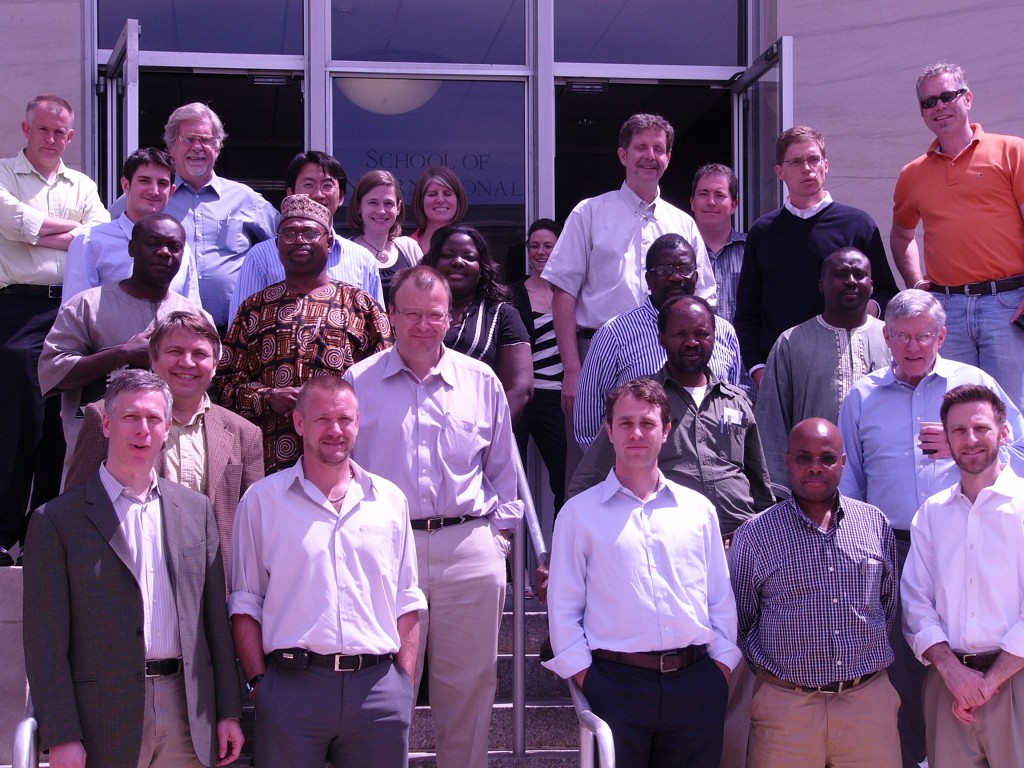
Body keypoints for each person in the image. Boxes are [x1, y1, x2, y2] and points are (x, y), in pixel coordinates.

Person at [344, 265, 522, 768]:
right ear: (391, 316)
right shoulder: (359, 381)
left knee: (469, 686)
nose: (423, 325)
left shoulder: (480, 380)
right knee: (383, 687)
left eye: (435, 315)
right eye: (412, 315)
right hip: (385, 549)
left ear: (451, 318)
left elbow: (503, 471)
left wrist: (498, 541)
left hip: (467, 545)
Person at [838, 288, 1024, 767]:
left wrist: (966, 445)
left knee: (985, 639)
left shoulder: (974, 386)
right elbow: (851, 483)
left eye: (924, 335)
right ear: (887, 336)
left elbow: (1019, 449)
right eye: (902, 336)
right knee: (908, 668)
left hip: (982, 536)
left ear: (942, 335)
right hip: (893, 545)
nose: (914, 346)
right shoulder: (862, 397)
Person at [23, 369, 244, 768]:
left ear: (167, 427)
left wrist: (229, 710)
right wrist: (61, 734)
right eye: (130, 417)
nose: (143, 430)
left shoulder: (196, 512)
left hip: (187, 713)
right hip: (101, 718)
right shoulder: (56, 521)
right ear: (106, 424)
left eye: (154, 419)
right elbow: (45, 645)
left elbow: (214, 621)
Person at [229, 376, 425, 767]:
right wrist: (259, 686)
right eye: (322, 420)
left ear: (357, 422)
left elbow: (407, 599)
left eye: (345, 419)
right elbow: (245, 603)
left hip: (378, 693)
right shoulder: (262, 501)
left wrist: (402, 684)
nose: (335, 431)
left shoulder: (390, 501)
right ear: (299, 423)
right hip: (292, 690)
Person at [545, 377, 739, 768]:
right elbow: (564, 610)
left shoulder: (697, 510)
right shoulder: (579, 515)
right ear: (609, 431)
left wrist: (719, 670)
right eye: (626, 423)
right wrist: (591, 681)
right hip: (615, 686)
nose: (637, 433)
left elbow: (719, 596)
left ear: (666, 431)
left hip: (696, 686)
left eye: (648, 423)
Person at [730, 418, 900, 768]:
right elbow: (742, 620)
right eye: (804, 458)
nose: (815, 468)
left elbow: (887, 604)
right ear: (788, 460)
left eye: (826, 458)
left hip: (867, 706)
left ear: (842, 461)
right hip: (786, 710)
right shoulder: (756, 535)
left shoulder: (874, 524)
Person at [541, 113, 715, 432]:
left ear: (668, 157)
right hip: (596, 355)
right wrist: (572, 369)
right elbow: (563, 293)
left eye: (658, 149)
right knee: (592, 457)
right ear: (623, 155)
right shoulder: (589, 213)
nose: (650, 156)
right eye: (641, 147)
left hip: (667, 357)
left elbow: (703, 299)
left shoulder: (683, 224)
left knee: (667, 456)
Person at [64, 311, 264, 582]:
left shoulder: (245, 433)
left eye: (200, 354)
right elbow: (77, 507)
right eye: (175, 351)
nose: (187, 362)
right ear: (153, 360)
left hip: (213, 589)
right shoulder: (104, 417)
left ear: (216, 364)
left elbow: (253, 528)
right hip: (127, 582)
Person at [0, 94, 108, 565]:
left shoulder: (82, 184)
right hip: (17, 309)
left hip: (68, 309)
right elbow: (8, 218)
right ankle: (2, 534)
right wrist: (69, 233)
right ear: (27, 130)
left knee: (57, 426)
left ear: (70, 135)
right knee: (17, 421)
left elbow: (99, 234)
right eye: (43, 130)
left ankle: (38, 535)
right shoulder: (3, 174)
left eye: (60, 132)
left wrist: (32, 230)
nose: (51, 139)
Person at [569, 295, 773, 537]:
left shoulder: (736, 401)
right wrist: (568, 542)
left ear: (714, 337)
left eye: (701, 334)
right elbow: (589, 478)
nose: (692, 342)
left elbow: (761, 489)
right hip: (671, 542)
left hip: (739, 541)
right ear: (662, 340)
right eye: (680, 335)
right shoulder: (641, 403)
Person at [217, 194, 391, 475]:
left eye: (310, 232)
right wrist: (267, 396)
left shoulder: (361, 306)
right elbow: (222, 385)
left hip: (348, 461)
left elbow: (387, 379)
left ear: (330, 242)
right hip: (271, 463)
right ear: (277, 244)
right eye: (289, 233)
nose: (299, 240)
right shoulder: (254, 309)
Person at [902, 383, 1024, 768]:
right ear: (947, 438)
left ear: (1003, 432)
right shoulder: (932, 514)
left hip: (1016, 683)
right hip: (948, 687)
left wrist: (989, 682)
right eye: (958, 430)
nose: (970, 440)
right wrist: (952, 672)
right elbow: (916, 602)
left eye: (981, 428)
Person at [891, 62, 1024, 410]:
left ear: (968, 98)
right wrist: (916, 282)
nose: (939, 107)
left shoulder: (1012, 151)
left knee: (1012, 415)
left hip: (1008, 306)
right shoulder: (912, 174)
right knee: (953, 414)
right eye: (929, 102)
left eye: (947, 96)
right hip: (947, 309)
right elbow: (902, 235)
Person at [39, 213, 211, 464]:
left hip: (174, 463)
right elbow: (51, 373)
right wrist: (123, 354)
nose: (165, 253)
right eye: (154, 243)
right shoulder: (88, 305)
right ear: (132, 248)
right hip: (95, 457)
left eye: (174, 247)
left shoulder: (195, 317)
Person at [734, 126, 899, 385]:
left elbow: (887, 295)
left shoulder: (857, 224)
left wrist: (857, 312)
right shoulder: (763, 231)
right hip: (780, 371)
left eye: (813, 159)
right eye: (796, 162)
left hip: (847, 366)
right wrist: (757, 368)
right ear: (780, 172)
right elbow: (747, 311)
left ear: (826, 165)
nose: (807, 168)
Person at [111, 102, 278, 329]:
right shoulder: (152, 196)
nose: (197, 147)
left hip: (235, 332)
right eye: (188, 139)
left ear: (218, 148)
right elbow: (104, 234)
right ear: (171, 147)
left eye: (206, 140)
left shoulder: (245, 199)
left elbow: (284, 241)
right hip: (163, 330)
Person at [573, 233, 744, 451]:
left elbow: (731, 410)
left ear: (696, 276)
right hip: (640, 477)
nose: (675, 277)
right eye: (664, 270)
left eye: (684, 269)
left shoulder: (723, 332)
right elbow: (588, 424)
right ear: (648, 279)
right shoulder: (614, 334)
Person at [755, 247, 891, 494]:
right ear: (821, 285)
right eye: (841, 274)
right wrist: (777, 492)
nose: (851, 281)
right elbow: (771, 422)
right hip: (812, 485)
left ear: (871, 285)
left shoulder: (893, 340)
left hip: (882, 484)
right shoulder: (792, 342)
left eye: (859, 275)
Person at [228, 151, 383, 326]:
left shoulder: (362, 259)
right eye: (309, 184)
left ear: (341, 197)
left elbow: (377, 330)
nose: (318, 194)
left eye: (327, 185)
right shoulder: (261, 256)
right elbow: (240, 327)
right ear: (290, 192)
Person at [422, 223, 533, 423]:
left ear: (482, 268)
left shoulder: (502, 315)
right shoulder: (413, 314)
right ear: (433, 263)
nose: (458, 261)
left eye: (469, 257)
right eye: (447, 255)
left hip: (480, 431)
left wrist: (488, 434)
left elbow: (520, 389)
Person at [63, 146, 200, 306]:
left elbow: (192, 316)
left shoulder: (179, 249)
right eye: (144, 181)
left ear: (171, 192)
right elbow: (73, 315)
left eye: (162, 183)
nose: (154, 191)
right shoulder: (90, 242)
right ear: (125, 185)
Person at [512, 218, 567, 512]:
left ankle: (560, 556)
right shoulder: (512, 294)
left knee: (565, 482)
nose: (540, 251)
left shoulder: (571, 293)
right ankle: (511, 558)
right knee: (510, 483)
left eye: (548, 245)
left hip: (557, 399)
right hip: (522, 397)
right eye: (534, 246)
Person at [347, 169, 423, 304]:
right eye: (373, 203)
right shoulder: (345, 252)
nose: (381, 211)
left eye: (388, 203)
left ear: (398, 208)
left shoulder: (409, 248)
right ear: (359, 207)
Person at [690, 163, 746, 326]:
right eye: (703, 194)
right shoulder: (680, 255)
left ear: (734, 205)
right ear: (693, 203)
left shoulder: (752, 251)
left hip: (741, 350)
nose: (711, 202)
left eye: (719, 195)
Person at [409, 166, 468, 249]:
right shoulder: (404, 249)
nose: (440, 200)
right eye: (432, 194)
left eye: (447, 194)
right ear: (420, 201)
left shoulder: (472, 245)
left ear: (458, 200)